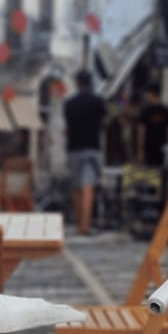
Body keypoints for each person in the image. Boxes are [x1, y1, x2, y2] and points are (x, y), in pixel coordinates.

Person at [63, 70, 107, 235]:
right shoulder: (98, 102)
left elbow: (68, 126)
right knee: (88, 186)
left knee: (77, 187)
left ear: (77, 83)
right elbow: (103, 123)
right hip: (92, 147)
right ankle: (85, 226)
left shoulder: (69, 104)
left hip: (74, 148)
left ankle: (78, 223)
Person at [135, 84, 168, 169]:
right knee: (158, 173)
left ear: (152, 94)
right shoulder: (166, 110)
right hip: (157, 148)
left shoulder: (146, 111)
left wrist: (140, 150)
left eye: (148, 93)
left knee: (152, 173)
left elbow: (141, 131)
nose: (146, 96)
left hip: (156, 148)